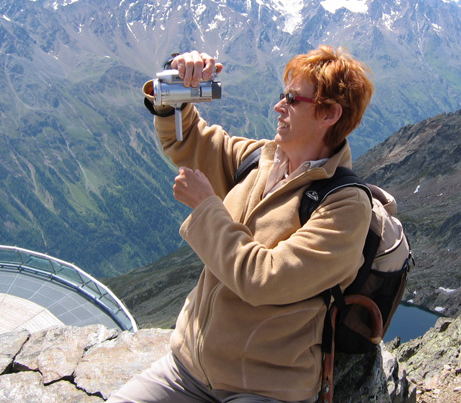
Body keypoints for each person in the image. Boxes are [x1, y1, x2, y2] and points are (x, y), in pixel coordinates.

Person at [108, 45, 375, 403]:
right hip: (187, 370)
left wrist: (206, 206)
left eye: (293, 100)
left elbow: (264, 279)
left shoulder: (345, 205)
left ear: (329, 113)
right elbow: (185, 139)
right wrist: (174, 81)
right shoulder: (257, 160)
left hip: (265, 388)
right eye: (283, 95)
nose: (279, 106)